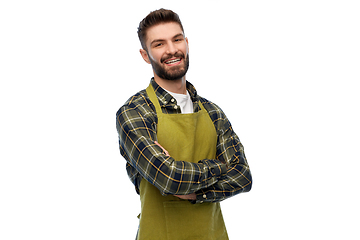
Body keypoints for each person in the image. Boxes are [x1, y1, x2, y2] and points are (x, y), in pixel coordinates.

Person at [116, 8, 252, 240]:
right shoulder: (134, 112)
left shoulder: (213, 112)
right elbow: (170, 178)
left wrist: (195, 194)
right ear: (145, 55)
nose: (171, 50)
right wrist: (220, 167)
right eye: (159, 44)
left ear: (186, 43)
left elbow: (243, 177)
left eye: (177, 40)